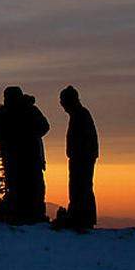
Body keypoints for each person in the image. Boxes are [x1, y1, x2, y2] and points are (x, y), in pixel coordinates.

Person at [0, 86, 50, 224]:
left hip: (28, 156)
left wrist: (24, 135)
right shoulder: (6, 112)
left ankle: (32, 214)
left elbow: (44, 127)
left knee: (31, 185)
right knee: (20, 185)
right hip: (17, 156)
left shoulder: (25, 110)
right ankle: (23, 213)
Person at [54, 86, 98, 231]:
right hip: (80, 156)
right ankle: (80, 216)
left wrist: (79, 154)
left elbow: (84, 139)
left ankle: (82, 218)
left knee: (81, 186)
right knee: (79, 186)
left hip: (82, 157)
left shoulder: (80, 115)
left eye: (63, 102)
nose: (62, 106)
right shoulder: (78, 114)